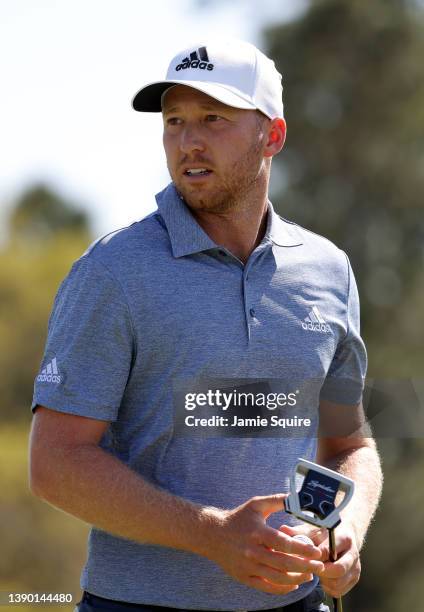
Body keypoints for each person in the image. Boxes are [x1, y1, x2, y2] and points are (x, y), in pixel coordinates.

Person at [29, 39, 382, 612]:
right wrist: (213, 534)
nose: (188, 141)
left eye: (213, 119)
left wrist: (345, 532)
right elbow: (55, 464)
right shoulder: (112, 272)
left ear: (272, 135)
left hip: (296, 604)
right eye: (174, 121)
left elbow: (349, 444)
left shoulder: (328, 271)